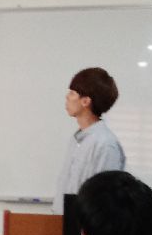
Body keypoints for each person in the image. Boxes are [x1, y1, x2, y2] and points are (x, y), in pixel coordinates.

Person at [52, 67, 125, 214]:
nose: (67, 97)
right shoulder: (77, 140)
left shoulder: (105, 144)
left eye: (72, 93)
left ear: (85, 101)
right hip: (62, 221)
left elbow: (103, 200)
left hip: (84, 225)